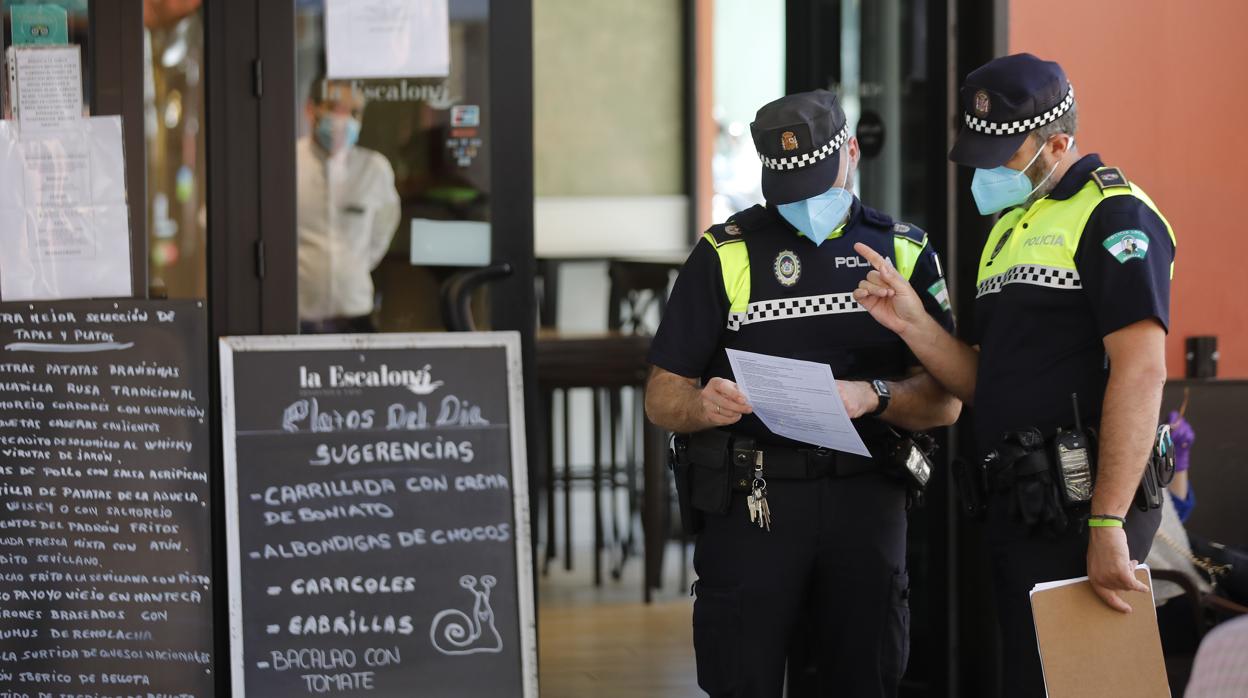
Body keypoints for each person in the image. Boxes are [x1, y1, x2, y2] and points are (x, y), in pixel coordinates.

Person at [850, 53, 1174, 695]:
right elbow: (985, 379)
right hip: (1023, 506)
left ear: (1057, 143)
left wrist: (1108, 524)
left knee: (1096, 688)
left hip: (1086, 507)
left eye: (1001, 152)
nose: (983, 168)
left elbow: (1142, 372)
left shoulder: (1114, 215)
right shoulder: (1009, 226)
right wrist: (913, 323)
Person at [644, 90, 961, 697]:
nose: (804, 203)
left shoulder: (904, 249)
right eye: (788, 188)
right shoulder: (725, 249)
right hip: (753, 502)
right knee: (742, 676)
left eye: (816, 180)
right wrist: (700, 405)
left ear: (852, 151)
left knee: (863, 676)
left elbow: (946, 401)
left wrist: (873, 395)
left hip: (864, 498)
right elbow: (662, 395)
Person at [297, 78, 401, 333]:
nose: (343, 120)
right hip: (297, 319)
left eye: (353, 112)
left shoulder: (374, 169)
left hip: (355, 317)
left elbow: (381, 234)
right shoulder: (284, 163)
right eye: (334, 108)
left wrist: (350, 267)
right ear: (311, 110)